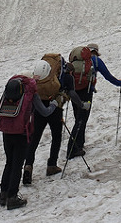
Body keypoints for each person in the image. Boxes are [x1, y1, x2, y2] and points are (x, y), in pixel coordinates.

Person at [0, 73, 57, 210]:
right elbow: (45, 112)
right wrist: (53, 105)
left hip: (6, 132)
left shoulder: (9, 92)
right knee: (17, 165)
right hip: (21, 134)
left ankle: (3, 194)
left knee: (9, 162)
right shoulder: (30, 93)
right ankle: (12, 197)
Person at [23, 54, 84, 185]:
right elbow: (71, 93)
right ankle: (52, 165)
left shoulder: (46, 76)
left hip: (39, 106)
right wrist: (81, 104)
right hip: (55, 107)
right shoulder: (67, 77)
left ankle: (28, 166)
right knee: (56, 136)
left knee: (35, 138)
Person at [66, 43, 121, 159]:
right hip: (86, 92)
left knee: (78, 118)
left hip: (73, 91)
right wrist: (120, 83)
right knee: (81, 120)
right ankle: (72, 150)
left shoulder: (76, 60)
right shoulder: (96, 61)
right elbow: (108, 76)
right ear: (96, 51)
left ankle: (79, 144)